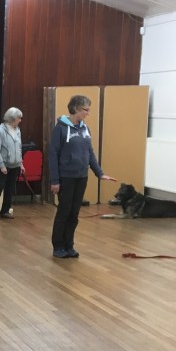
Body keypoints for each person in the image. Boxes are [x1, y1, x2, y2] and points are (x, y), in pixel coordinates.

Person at [49, 94, 116, 258]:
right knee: (64, 212)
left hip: (81, 177)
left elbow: (89, 152)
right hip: (66, 177)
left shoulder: (85, 129)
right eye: (86, 110)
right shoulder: (60, 129)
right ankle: (58, 246)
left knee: (74, 213)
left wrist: (99, 173)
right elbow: (53, 155)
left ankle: (69, 245)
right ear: (76, 109)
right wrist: (55, 180)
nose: (88, 113)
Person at [0, 107, 23, 220]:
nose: (20, 120)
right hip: (3, 165)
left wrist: (21, 163)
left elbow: (19, 148)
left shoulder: (18, 130)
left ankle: (5, 210)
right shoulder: (0, 131)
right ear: (12, 118)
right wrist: (1, 165)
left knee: (10, 189)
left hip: (15, 165)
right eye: (19, 118)